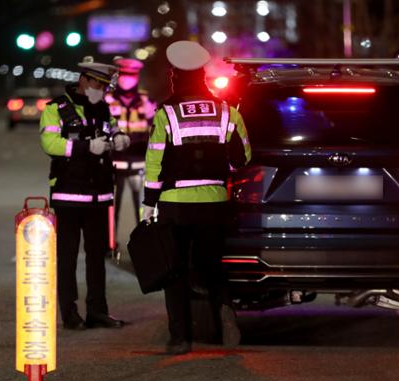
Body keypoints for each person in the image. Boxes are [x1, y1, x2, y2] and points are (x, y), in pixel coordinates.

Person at [142, 41, 252, 355]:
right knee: (212, 266)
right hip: (215, 201)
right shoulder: (227, 111)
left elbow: (154, 161)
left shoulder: (166, 114)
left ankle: (179, 337)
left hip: (175, 203)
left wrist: (150, 202)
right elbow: (243, 156)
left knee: (174, 270)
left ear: (175, 76)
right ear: (203, 75)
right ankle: (224, 313)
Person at [39, 61, 130, 330]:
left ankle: (97, 311)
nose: (101, 90)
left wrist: (121, 136)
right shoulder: (57, 108)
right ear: (83, 80)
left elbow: (113, 129)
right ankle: (69, 313)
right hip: (69, 194)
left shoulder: (102, 108)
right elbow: (50, 143)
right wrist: (85, 147)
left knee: (97, 257)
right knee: (67, 257)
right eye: (97, 84)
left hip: (99, 195)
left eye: (104, 86)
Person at [105, 58, 156, 230]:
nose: (127, 79)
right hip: (113, 163)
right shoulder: (108, 99)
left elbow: (156, 128)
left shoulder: (146, 100)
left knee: (143, 207)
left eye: (131, 75)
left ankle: (144, 242)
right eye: (124, 75)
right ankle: (109, 244)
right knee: (111, 208)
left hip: (139, 162)